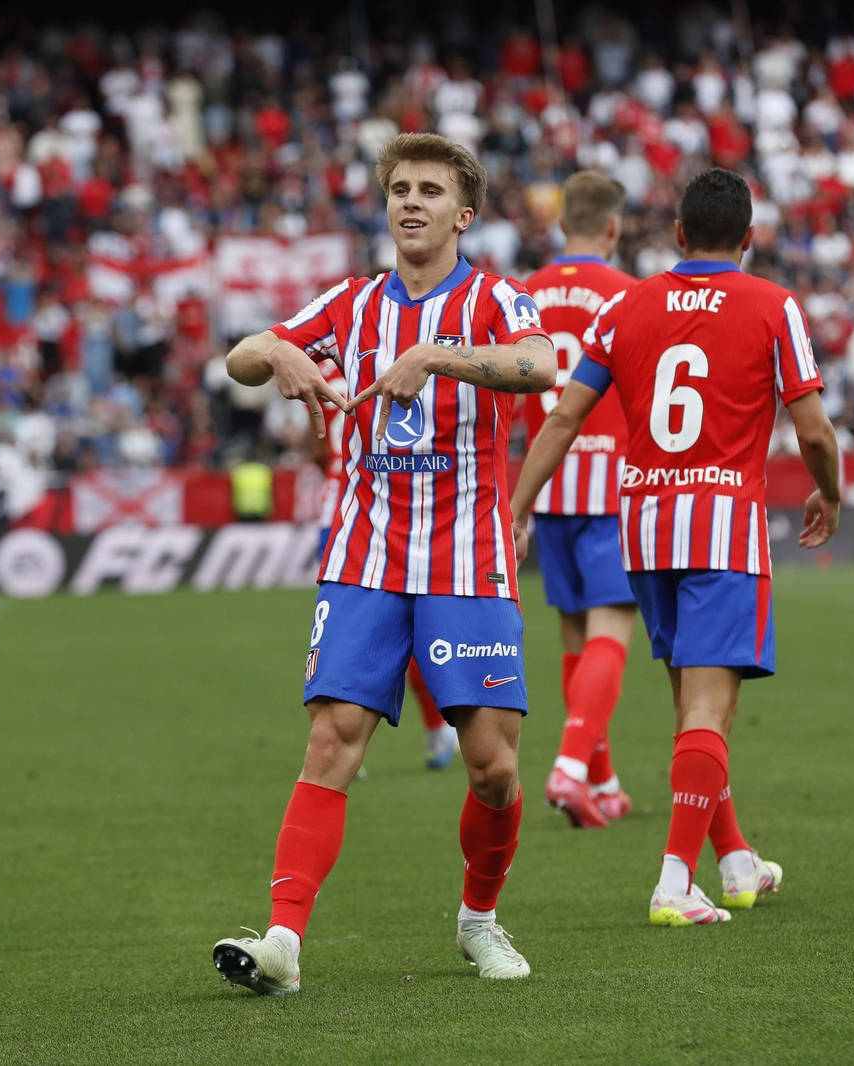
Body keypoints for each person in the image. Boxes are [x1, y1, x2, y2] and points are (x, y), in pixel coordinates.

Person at [212, 133, 557, 994]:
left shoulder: (495, 298)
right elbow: (239, 358)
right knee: (331, 740)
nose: (411, 202)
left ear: (463, 215)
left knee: (495, 769)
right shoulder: (352, 301)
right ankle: (283, 941)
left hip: (467, 561)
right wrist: (280, 351)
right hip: (365, 557)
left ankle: (478, 919)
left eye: (430, 191)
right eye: (401, 188)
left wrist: (436, 355)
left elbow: (542, 363)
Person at [513, 167, 841, 925]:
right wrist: (830, 490)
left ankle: (735, 862)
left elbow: (562, 418)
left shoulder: (628, 305)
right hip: (723, 530)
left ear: (680, 234)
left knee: (694, 710)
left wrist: (518, 507)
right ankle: (672, 881)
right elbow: (815, 430)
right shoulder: (773, 305)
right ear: (749, 239)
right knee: (707, 714)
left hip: (644, 530)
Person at [519, 171, 638, 828]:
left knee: (575, 642)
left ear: (562, 223)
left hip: (549, 486)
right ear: (614, 227)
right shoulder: (628, 292)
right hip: (612, 487)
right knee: (610, 635)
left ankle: (603, 780)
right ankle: (569, 768)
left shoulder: (525, 294)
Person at [309, 360, 457, 770]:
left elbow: (319, 449)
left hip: (337, 515)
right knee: (412, 627)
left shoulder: (319, 374)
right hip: (389, 508)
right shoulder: (390, 364)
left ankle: (341, 741)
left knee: (345, 631)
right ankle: (435, 730)